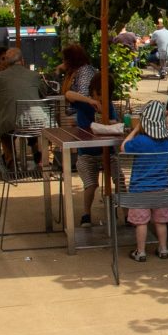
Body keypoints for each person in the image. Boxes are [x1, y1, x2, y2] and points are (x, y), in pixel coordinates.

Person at [119, 112, 168, 262]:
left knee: (141, 222)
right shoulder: (166, 141)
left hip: (140, 189)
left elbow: (123, 147)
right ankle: (163, 249)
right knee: (161, 221)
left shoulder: (140, 141)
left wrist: (135, 130)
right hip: (162, 188)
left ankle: (141, 251)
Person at [59, 43, 106, 224]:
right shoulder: (76, 72)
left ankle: (125, 214)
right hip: (87, 146)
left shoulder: (84, 73)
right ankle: (87, 214)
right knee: (91, 182)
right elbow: (71, 94)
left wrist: (88, 103)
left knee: (114, 176)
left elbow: (73, 95)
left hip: (95, 146)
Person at [0, 46, 47, 166]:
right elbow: (44, 93)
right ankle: (41, 158)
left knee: (5, 129)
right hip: (38, 121)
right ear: (23, 61)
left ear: (5, 62)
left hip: (11, 123)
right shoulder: (34, 75)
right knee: (32, 122)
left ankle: (11, 160)